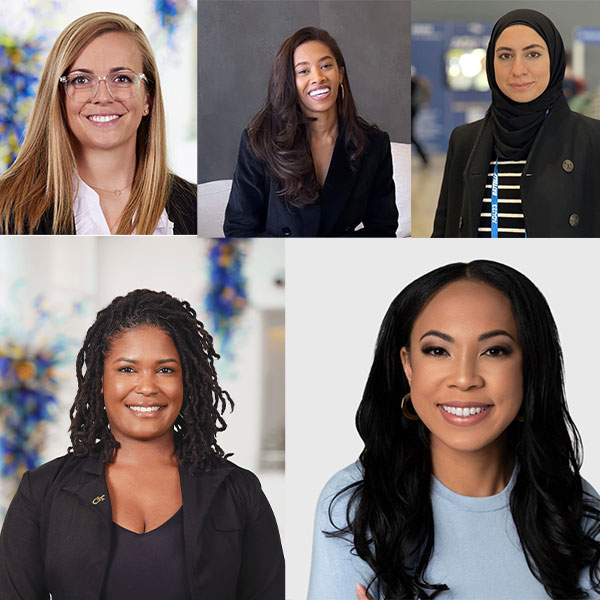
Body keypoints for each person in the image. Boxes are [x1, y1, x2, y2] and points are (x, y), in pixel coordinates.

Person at [308, 260, 600, 599]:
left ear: (530, 366)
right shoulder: (357, 504)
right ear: (408, 365)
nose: (464, 378)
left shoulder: (574, 510)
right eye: (437, 350)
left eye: (494, 351)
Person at [0, 289, 284, 598]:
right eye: (127, 369)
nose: (147, 386)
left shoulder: (239, 492)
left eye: (165, 370)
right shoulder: (41, 492)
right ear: (100, 381)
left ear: (186, 381)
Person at [0, 12, 197, 235]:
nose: (103, 96)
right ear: (58, 98)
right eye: (81, 80)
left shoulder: (198, 208)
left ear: (148, 99)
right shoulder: (6, 208)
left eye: (122, 78)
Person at [432, 9, 600, 237]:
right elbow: (444, 233)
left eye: (533, 55)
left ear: (555, 60)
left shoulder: (592, 139)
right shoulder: (464, 140)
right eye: (505, 56)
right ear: (491, 65)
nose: (518, 70)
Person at [223, 26, 398, 237]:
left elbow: (383, 229)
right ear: (290, 82)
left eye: (326, 66)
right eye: (303, 71)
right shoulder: (259, 142)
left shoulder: (374, 144)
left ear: (340, 74)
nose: (318, 77)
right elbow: (240, 229)